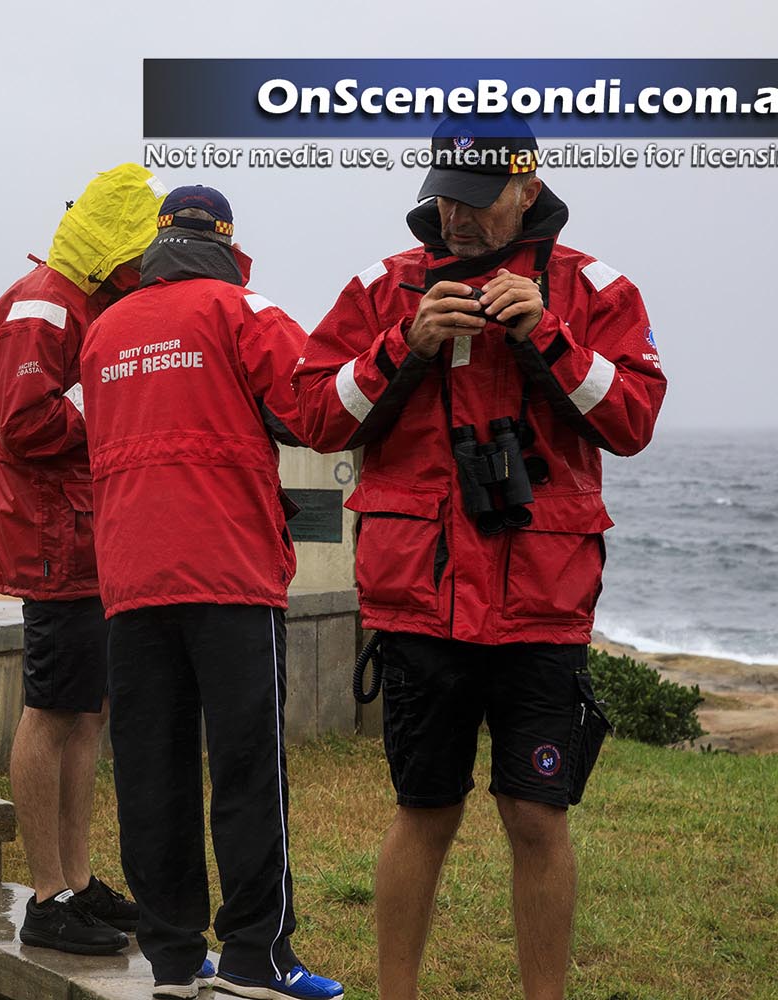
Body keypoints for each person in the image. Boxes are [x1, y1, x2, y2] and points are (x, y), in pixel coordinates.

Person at [292, 118, 666, 1000]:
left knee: (539, 817)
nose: (452, 215)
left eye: (475, 197)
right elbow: (314, 414)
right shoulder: (385, 288)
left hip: (541, 603)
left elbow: (635, 421)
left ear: (527, 191)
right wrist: (402, 346)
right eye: (443, 194)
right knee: (423, 810)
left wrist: (553, 340)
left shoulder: (593, 290)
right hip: (420, 601)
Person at [81, 186, 343, 1000]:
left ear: (158, 240)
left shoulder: (105, 330)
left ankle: (170, 960)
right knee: (245, 768)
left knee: (151, 771)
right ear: (227, 242)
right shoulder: (242, 308)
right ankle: (256, 959)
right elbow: (314, 410)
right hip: (228, 568)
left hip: (131, 571)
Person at [0, 163, 165, 955]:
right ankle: (48, 895)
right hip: (55, 532)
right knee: (53, 709)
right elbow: (25, 423)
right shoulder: (44, 305)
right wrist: (119, 397)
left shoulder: (82, 297)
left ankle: (79, 882)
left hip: (87, 529)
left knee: (88, 709)